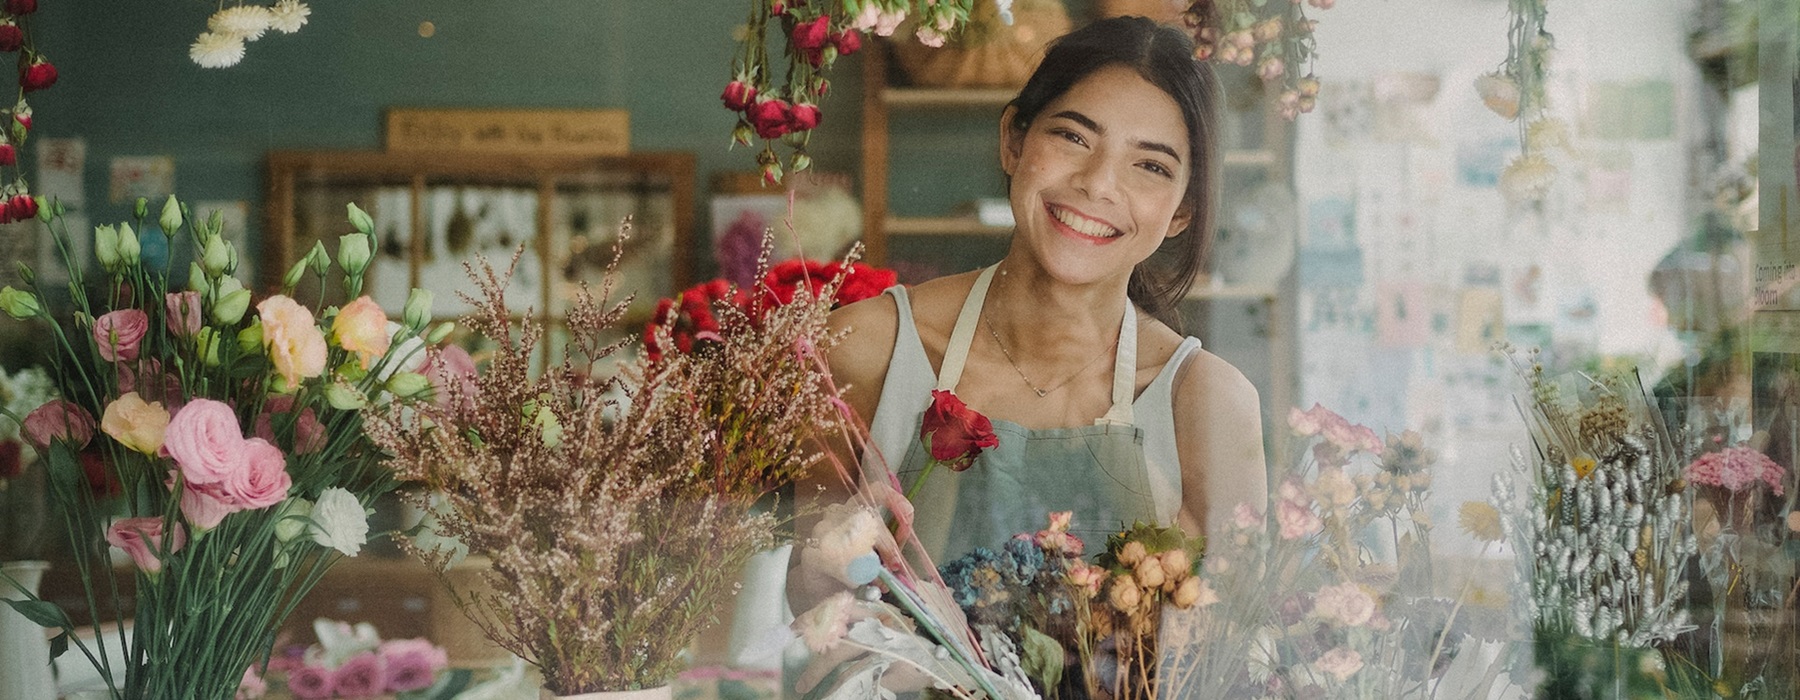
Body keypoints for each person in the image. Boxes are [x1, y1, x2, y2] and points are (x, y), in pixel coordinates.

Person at [795, 16, 1267, 599]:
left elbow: (1225, 665)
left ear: (1181, 213)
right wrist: (827, 570)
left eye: (1150, 166)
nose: (1098, 184)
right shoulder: (866, 350)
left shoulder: (1207, 404)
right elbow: (802, 613)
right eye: (1073, 136)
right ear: (1013, 141)